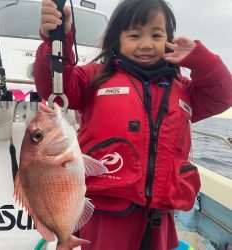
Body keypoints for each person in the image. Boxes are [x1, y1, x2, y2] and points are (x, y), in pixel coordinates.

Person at [34, 0, 232, 249]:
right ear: (118, 39)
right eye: (135, 35)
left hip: (160, 217)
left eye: (156, 35)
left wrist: (201, 60)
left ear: (168, 40)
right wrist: (58, 40)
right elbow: (54, 85)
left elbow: (223, 95)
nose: (146, 44)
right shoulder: (95, 77)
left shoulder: (184, 89)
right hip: (105, 214)